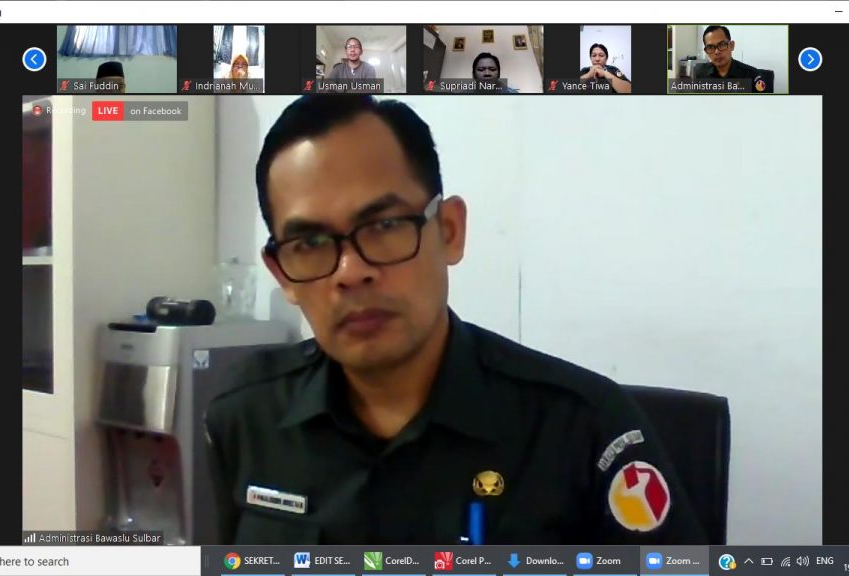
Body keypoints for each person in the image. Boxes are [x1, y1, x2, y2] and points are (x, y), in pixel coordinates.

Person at [205, 95, 708, 545]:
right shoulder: (245, 419)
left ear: (449, 231)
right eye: (310, 243)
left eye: (384, 225)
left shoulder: (585, 432)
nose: (351, 272)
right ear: (283, 274)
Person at [693, 26, 767, 92]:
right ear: (706, 51)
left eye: (722, 45)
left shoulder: (752, 75)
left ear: (731, 45)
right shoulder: (700, 72)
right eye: (710, 47)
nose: (717, 52)